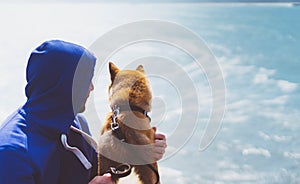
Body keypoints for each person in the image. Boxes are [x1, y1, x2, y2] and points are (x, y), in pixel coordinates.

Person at [0, 40, 167, 184]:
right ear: (67, 86)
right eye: (87, 81)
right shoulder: (12, 153)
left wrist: (141, 149)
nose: (92, 88)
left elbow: (100, 171)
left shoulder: (76, 123)